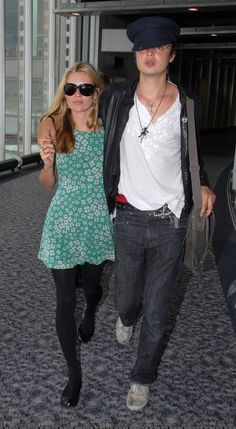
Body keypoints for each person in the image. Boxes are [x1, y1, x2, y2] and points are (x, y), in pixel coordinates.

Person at [38, 16, 216, 411]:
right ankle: (125, 315)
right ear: (135, 55)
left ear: (171, 52)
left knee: (158, 307)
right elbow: (66, 117)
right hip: (126, 218)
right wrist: (48, 140)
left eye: (159, 46)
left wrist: (202, 181)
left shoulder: (186, 105)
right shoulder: (119, 101)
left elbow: (193, 155)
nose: (150, 53)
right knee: (126, 299)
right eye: (143, 47)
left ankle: (142, 377)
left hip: (171, 220)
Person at [37, 62, 114, 408]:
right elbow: (48, 185)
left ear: (96, 92)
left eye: (85, 89)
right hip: (63, 222)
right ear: (63, 93)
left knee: (93, 287)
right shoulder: (55, 125)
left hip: (97, 221)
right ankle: (74, 373)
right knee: (65, 301)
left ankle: (92, 309)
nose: (77, 96)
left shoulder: (108, 127)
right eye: (71, 89)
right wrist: (48, 165)